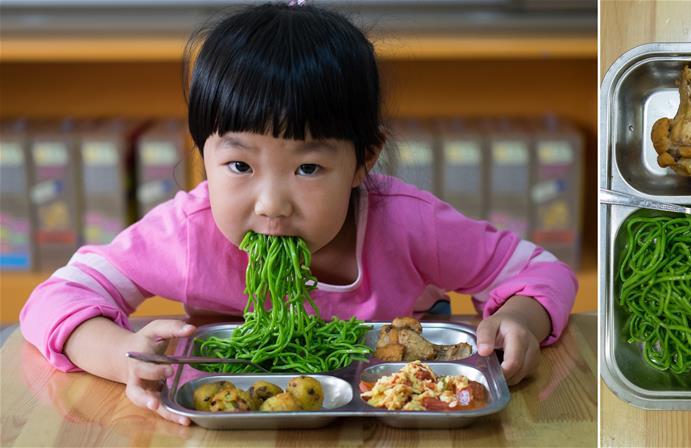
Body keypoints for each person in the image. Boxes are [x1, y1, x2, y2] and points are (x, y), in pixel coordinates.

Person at [19, 2, 577, 426]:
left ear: (363, 161)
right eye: (239, 164)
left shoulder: (408, 223)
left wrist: (524, 319)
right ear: (203, 155)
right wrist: (119, 354)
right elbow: (53, 300)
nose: (271, 203)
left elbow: (542, 272)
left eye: (308, 169)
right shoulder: (187, 232)